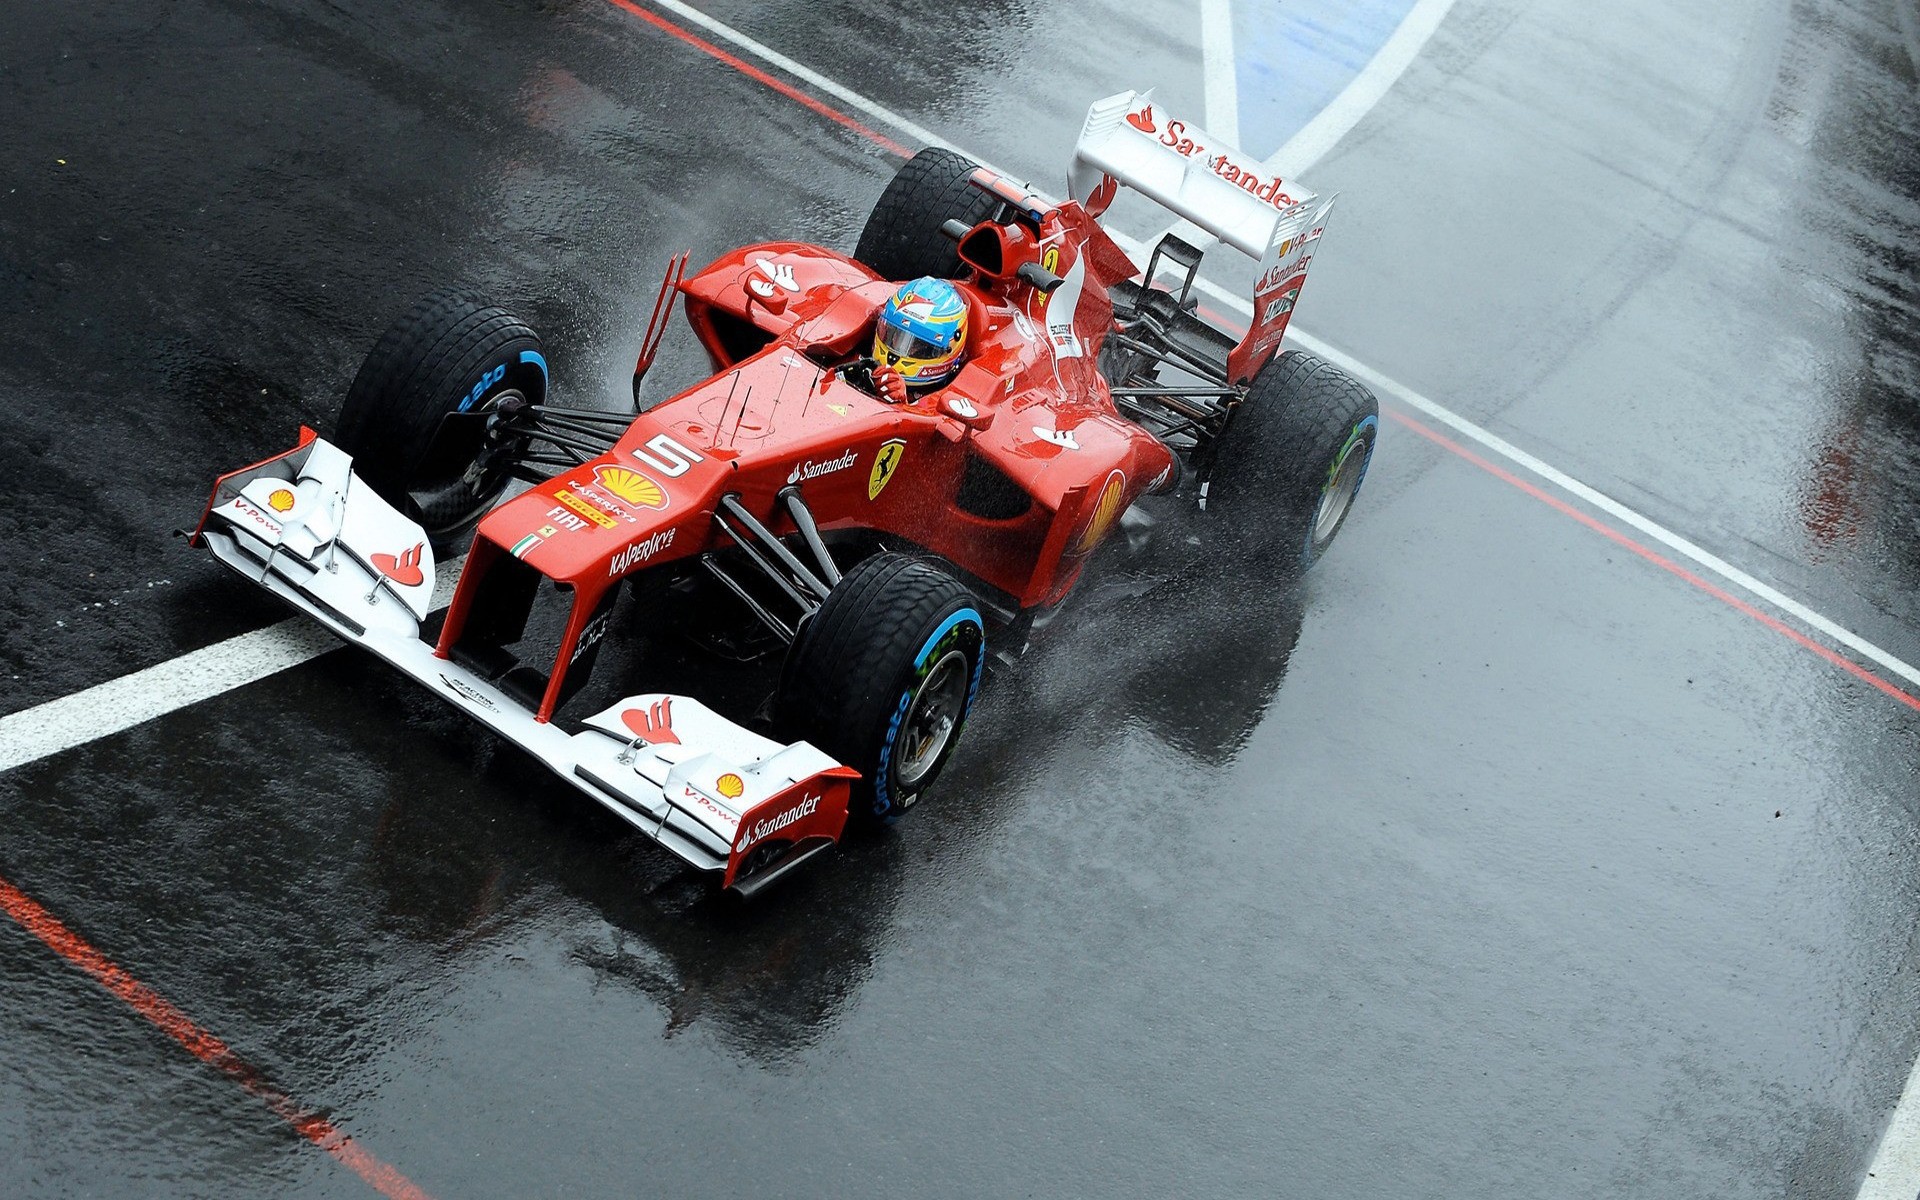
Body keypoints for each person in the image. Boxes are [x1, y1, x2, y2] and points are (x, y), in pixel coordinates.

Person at [866, 277, 968, 403]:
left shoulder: (945, 399)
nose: (900, 348)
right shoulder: (861, 359)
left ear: (950, 349)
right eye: (894, 334)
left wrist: (903, 405)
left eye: (919, 345)